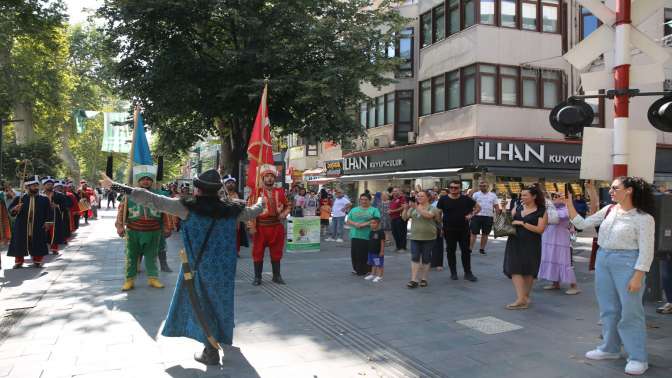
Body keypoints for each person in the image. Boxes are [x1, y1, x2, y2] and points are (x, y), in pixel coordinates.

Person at [101, 169, 263, 365]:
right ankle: (220, 335)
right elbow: (255, 211)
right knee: (221, 302)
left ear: (198, 188)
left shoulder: (186, 208)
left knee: (202, 304)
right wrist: (262, 199)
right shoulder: (233, 210)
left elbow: (151, 199)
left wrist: (116, 186)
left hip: (198, 267)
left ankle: (210, 351)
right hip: (225, 269)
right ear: (219, 189)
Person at [566, 177, 655, 376]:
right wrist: (568, 204)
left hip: (628, 262)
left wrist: (638, 276)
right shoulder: (609, 210)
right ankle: (610, 348)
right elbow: (582, 224)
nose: (611, 191)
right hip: (603, 258)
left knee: (631, 312)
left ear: (629, 190)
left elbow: (647, 251)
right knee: (608, 308)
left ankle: (638, 357)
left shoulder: (644, 218)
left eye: (615, 188)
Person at [115, 165, 172, 291]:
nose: (146, 181)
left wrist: (168, 227)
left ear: (152, 181)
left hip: (154, 231)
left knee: (152, 256)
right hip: (133, 231)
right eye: (143, 179)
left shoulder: (159, 196)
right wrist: (119, 226)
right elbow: (121, 212)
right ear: (138, 181)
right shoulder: (128, 195)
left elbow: (166, 213)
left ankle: (153, 278)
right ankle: (129, 280)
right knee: (131, 256)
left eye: (148, 179)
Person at [503, 185, 547, 310]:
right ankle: (521, 298)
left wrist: (523, 223)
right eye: (521, 195)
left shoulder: (541, 210)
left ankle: (524, 298)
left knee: (529, 271)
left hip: (531, 243)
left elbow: (540, 229)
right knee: (514, 269)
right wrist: (504, 209)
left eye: (525, 195)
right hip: (515, 241)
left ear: (534, 196)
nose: (522, 197)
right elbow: (509, 220)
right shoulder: (518, 206)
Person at [247, 164, 291, 286]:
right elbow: (249, 210)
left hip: (276, 226)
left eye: (272, 176)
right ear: (263, 178)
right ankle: (257, 277)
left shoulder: (281, 192)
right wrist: (251, 226)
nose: (270, 179)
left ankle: (277, 276)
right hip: (261, 227)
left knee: (277, 252)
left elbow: (288, 205)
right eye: (267, 176)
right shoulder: (256, 193)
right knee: (258, 252)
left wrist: (284, 214)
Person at [436, 180, 480, 282]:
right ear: (449, 188)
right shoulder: (443, 199)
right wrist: (441, 227)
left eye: (456, 188)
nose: (453, 189)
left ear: (460, 188)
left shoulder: (466, 199)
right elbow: (438, 213)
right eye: (451, 187)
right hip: (448, 230)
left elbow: (478, 207)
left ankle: (468, 273)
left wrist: (471, 215)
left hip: (463, 230)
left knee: (466, 251)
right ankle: (453, 273)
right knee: (450, 251)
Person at [538, 193, 580, 295]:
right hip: (548, 237)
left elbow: (560, 217)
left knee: (564, 261)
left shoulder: (567, 208)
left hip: (561, 239)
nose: (556, 199)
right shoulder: (548, 208)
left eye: (559, 196)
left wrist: (551, 206)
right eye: (554, 197)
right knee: (551, 258)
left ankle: (574, 286)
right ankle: (555, 283)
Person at [7, 176, 52, 268]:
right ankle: (18, 262)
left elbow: (49, 212)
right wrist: (15, 209)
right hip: (22, 225)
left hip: (38, 224)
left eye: (37, 185)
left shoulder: (44, 199)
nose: (36, 187)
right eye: (33, 186)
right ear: (27, 187)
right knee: (19, 242)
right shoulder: (19, 199)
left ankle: (37, 261)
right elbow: (11, 211)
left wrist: (48, 222)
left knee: (38, 241)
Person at [402, 190, 441, 288]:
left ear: (428, 198)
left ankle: (424, 278)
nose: (418, 198)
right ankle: (413, 279)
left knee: (426, 258)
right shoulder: (413, 208)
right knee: (415, 257)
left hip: (429, 237)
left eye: (421, 196)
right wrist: (405, 209)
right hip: (415, 237)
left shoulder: (433, 208)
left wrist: (416, 207)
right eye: (417, 196)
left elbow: (428, 216)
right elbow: (404, 218)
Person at [346, 193, 380, 276]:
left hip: (368, 235)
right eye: (362, 199)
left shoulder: (374, 210)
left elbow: (376, 220)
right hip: (355, 234)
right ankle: (356, 268)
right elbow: (348, 220)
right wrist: (355, 224)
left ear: (370, 200)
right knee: (355, 253)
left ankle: (366, 269)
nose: (363, 201)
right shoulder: (354, 209)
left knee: (365, 254)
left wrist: (363, 224)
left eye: (366, 200)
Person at [470, 181, 501, 255]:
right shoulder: (475, 194)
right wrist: (470, 214)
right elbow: (471, 205)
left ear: (488, 186)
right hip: (476, 216)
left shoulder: (493, 195)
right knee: (473, 233)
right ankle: (470, 249)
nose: (482, 187)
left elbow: (496, 206)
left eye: (484, 186)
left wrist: (498, 217)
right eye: (480, 186)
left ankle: (482, 249)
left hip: (488, 217)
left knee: (485, 234)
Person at [41, 177, 69, 254]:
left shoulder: (59, 195)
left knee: (54, 232)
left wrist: (57, 206)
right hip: (43, 217)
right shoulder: (40, 195)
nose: (50, 186)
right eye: (48, 184)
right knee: (42, 233)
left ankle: (54, 249)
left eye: (51, 184)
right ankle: (42, 249)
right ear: (44, 185)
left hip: (55, 216)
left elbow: (65, 206)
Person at [364, 217, 385, 283]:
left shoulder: (381, 232)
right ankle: (372, 274)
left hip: (377, 252)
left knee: (378, 264)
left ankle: (380, 276)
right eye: (371, 223)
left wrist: (381, 251)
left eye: (374, 223)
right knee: (372, 263)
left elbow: (382, 242)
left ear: (378, 224)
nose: (372, 224)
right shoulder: (371, 232)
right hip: (371, 251)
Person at [389, 187, 407, 252]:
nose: (394, 192)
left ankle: (403, 247)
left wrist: (393, 211)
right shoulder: (393, 199)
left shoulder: (402, 198)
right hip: (393, 218)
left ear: (399, 192)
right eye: (393, 191)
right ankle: (398, 246)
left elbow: (403, 207)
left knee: (401, 233)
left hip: (400, 218)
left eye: (396, 191)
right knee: (394, 233)